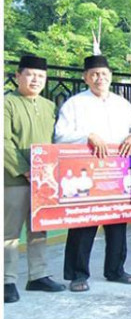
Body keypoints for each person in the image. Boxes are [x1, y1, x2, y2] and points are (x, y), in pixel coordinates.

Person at [54, 55, 131, 292]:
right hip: (85, 173)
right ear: (85, 77)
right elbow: (60, 136)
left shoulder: (121, 103)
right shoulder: (74, 104)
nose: (100, 79)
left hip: (117, 172)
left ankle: (115, 270)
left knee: (117, 223)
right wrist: (88, 135)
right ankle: (78, 274)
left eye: (104, 74)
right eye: (94, 74)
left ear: (111, 77)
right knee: (84, 223)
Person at [4, 55, 64, 303]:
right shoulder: (7, 103)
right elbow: (3, 142)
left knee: (39, 228)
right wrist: (25, 169)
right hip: (13, 179)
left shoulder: (49, 106)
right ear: (18, 76)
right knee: (9, 232)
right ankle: (6, 280)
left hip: (44, 180)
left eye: (40, 76)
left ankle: (38, 275)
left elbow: (56, 141)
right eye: (30, 74)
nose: (35, 80)